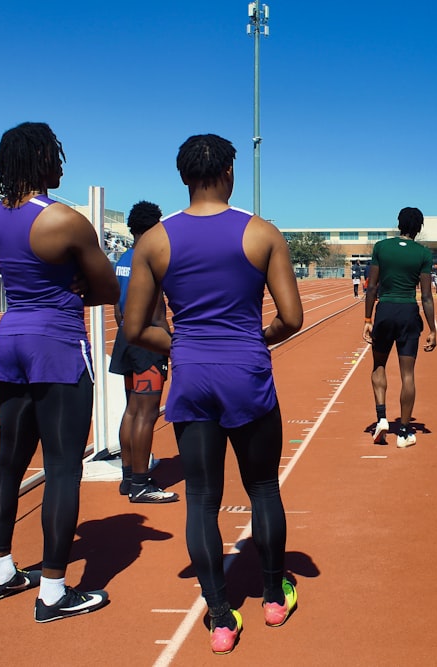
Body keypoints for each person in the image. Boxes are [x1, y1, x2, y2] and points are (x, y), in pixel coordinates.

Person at [124, 133, 303, 654]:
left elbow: (135, 325)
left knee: (202, 501)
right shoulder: (262, 233)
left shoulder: (154, 241)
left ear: (183, 177)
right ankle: (273, 595)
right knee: (263, 488)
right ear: (229, 173)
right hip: (246, 373)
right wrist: (256, 338)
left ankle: (221, 618)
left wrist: (181, 343)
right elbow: (291, 318)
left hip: (194, 376)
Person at [0, 122, 118, 623]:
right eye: (56, 154)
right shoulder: (64, 219)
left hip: (10, 336)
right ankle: (55, 591)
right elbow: (108, 289)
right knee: (63, 468)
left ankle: (0, 571)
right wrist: (78, 282)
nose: (62, 164)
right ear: (40, 159)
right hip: (56, 342)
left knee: (9, 461)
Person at [109, 200, 178, 504]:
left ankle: (127, 477)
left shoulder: (123, 258)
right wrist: (171, 342)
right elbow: (158, 310)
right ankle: (141, 482)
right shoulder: (151, 257)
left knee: (131, 410)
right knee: (147, 414)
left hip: (125, 338)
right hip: (149, 341)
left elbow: (116, 306)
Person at [363, 206, 437, 447]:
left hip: (384, 310)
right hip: (408, 312)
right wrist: (432, 329)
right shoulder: (423, 254)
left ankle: (382, 418)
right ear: (419, 228)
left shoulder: (382, 248)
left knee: (379, 364)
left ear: (399, 224)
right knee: (408, 374)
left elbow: (372, 287)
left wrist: (367, 320)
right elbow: (426, 296)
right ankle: (404, 431)